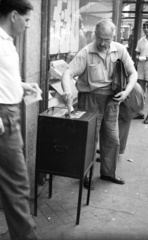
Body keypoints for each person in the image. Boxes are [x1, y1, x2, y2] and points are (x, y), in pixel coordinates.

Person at [61, 20, 137, 188]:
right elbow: (68, 73)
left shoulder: (120, 50)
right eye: (100, 38)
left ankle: (108, 172)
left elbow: (133, 73)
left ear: (114, 37)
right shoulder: (86, 52)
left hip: (112, 100)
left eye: (107, 39)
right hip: (90, 99)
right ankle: (85, 175)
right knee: (89, 138)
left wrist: (126, 92)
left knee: (112, 137)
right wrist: (67, 90)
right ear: (95, 35)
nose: (103, 43)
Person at [0, 0, 41, 239]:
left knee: (13, 183)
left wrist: (22, 85)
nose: (27, 26)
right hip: (5, 118)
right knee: (18, 185)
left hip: (10, 112)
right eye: (26, 20)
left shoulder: (7, 41)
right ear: (14, 15)